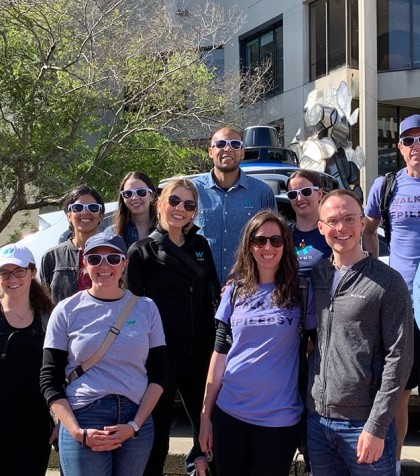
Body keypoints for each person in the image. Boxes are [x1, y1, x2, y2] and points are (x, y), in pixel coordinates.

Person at [199, 209, 316, 476]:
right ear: (249, 245)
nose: (268, 247)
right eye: (260, 240)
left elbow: (315, 347)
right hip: (230, 413)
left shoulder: (301, 291)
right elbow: (219, 356)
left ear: (285, 245)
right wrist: (206, 417)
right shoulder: (233, 291)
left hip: (280, 418)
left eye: (276, 240)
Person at [40, 232, 168, 476]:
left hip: (134, 417)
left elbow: (159, 374)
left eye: (113, 258)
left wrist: (135, 425)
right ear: (85, 264)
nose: (104, 265)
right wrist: (76, 431)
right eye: (95, 259)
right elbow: (49, 378)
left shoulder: (146, 308)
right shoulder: (66, 310)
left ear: (124, 263)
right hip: (84, 416)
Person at [308, 189, 413, 476]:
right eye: (332, 221)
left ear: (362, 223)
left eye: (349, 219)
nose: (341, 228)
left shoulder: (387, 282)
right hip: (319, 421)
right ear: (321, 227)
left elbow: (399, 359)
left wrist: (377, 427)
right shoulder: (318, 275)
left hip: (364, 424)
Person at [126, 178, 221, 476]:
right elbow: (132, 312)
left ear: (194, 212)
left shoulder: (201, 246)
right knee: (156, 440)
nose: (181, 209)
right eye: (175, 201)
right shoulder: (140, 251)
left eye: (189, 204)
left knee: (208, 434)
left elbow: (214, 293)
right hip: (160, 358)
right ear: (160, 204)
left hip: (199, 354)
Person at [363, 114, 420, 475]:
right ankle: (395, 464)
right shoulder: (386, 186)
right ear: (399, 147)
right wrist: (375, 267)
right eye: (409, 140)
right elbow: (368, 228)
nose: (417, 147)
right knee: (398, 389)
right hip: (402, 304)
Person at [193, 126, 277, 285]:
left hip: (247, 289)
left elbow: (273, 244)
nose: (228, 148)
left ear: (242, 152)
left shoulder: (262, 192)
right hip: (199, 290)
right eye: (221, 144)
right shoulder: (192, 190)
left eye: (235, 144)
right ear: (210, 151)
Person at [0, 243, 54, 476]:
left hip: (36, 425)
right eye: (4, 273)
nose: (12, 278)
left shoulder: (49, 318)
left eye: (19, 271)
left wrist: (61, 419)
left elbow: (61, 372)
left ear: (32, 273)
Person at [40, 185, 105, 304]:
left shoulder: (115, 255)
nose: (85, 212)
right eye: (78, 208)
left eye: (93, 208)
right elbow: (44, 304)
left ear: (101, 215)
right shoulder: (52, 257)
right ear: (68, 216)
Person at [287, 170, 331, 277]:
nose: (300, 198)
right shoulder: (283, 234)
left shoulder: (331, 232)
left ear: (319, 193)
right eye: (293, 194)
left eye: (306, 192)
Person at [107, 171, 157, 248]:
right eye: (128, 193)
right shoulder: (111, 234)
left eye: (141, 192)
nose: (134, 198)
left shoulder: (167, 230)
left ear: (152, 196)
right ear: (123, 198)